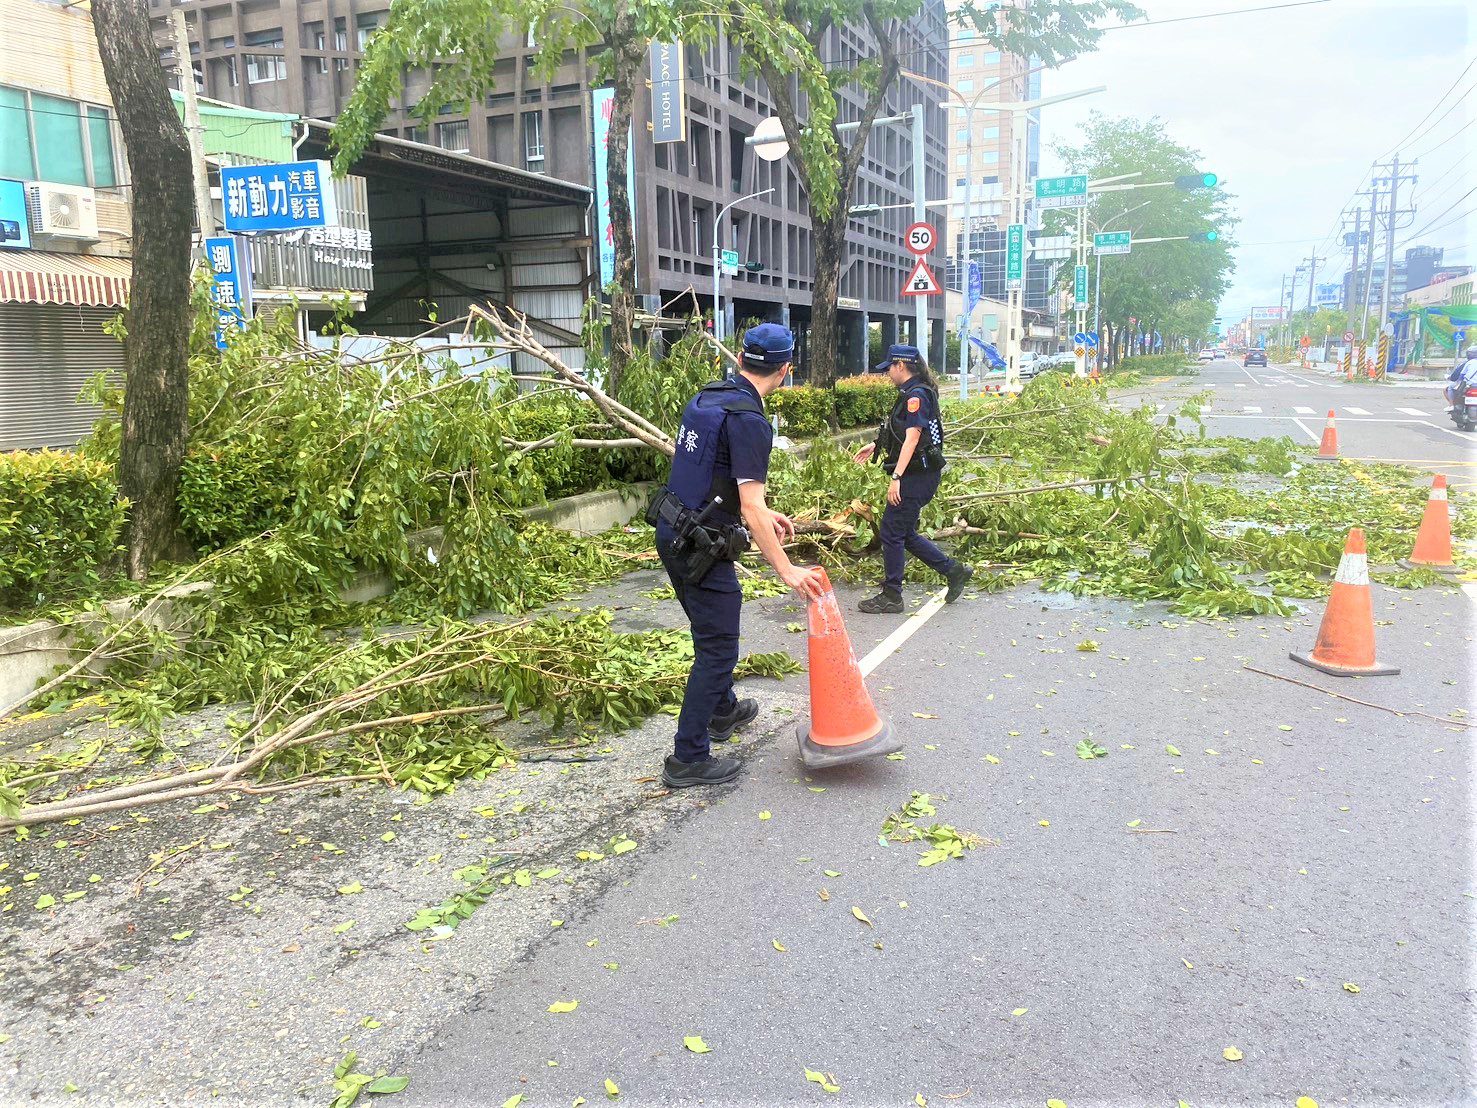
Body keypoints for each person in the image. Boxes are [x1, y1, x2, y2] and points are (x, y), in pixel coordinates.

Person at [647, 323, 826, 788]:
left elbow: (715, 479)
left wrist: (766, 515)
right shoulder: (749, 420)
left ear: (742, 359)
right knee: (719, 646)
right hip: (700, 547)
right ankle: (687, 759)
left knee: (709, 630)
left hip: (671, 530)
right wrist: (786, 569)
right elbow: (747, 502)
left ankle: (722, 711)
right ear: (785, 371)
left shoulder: (707, 398)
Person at [852, 344, 973, 614]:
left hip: (915, 476)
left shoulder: (916, 395)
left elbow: (914, 437)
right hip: (921, 474)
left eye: (889, 369)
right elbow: (901, 432)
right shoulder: (912, 392)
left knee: (891, 532)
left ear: (901, 366)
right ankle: (954, 571)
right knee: (902, 533)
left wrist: (896, 476)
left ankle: (892, 596)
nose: (888, 374)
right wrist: (874, 446)